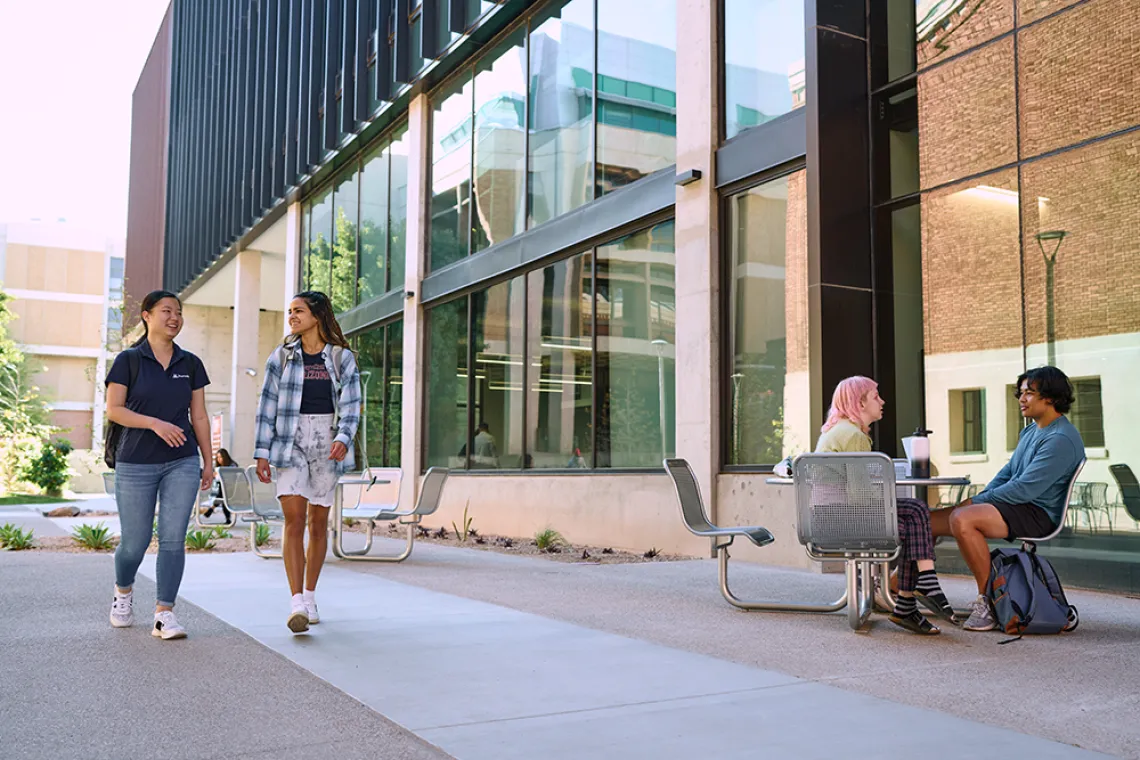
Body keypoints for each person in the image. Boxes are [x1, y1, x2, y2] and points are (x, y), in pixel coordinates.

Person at [930, 366, 1084, 632]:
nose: (1022, 399)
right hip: (1016, 505)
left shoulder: (1060, 439)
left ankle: (990, 602)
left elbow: (1025, 489)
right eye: (1021, 393)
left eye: (1030, 393)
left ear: (1051, 397)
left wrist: (974, 503)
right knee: (929, 519)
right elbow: (1007, 475)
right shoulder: (1031, 432)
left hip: (1038, 514)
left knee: (962, 518)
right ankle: (901, 589)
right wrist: (979, 498)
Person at [105, 290, 212, 640]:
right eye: (167, 310)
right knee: (135, 543)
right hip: (135, 462)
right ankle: (123, 592)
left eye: (179, 312)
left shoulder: (190, 363)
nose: (175, 317)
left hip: (181, 461)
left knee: (172, 539)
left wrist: (208, 462)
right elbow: (114, 410)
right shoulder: (128, 360)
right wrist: (154, 423)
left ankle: (164, 613)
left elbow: (199, 415)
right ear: (147, 316)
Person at [254, 291, 361, 634]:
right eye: (289, 312)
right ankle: (296, 600)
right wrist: (262, 451)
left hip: (327, 442)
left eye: (298, 311)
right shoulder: (282, 358)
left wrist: (344, 437)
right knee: (294, 519)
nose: (292, 317)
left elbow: (353, 402)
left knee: (318, 524)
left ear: (317, 315)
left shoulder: (341, 358)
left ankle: (311, 596)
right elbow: (266, 405)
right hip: (290, 441)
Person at [816, 376, 956, 635]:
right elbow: (861, 497)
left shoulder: (839, 430)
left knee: (915, 513)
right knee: (915, 520)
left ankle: (912, 597)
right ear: (859, 403)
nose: (882, 401)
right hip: (845, 518)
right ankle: (916, 592)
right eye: (875, 396)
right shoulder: (853, 436)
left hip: (831, 516)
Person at [202, 449, 237, 521]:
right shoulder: (218, 467)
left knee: (223, 495)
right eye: (217, 457)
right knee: (222, 495)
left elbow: (232, 477)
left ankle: (211, 509)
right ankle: (213, 510)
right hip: (224, 488)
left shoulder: (232, 465)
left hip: (233, 488)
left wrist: (219, 475)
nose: (219, 459)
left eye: (220, 457)